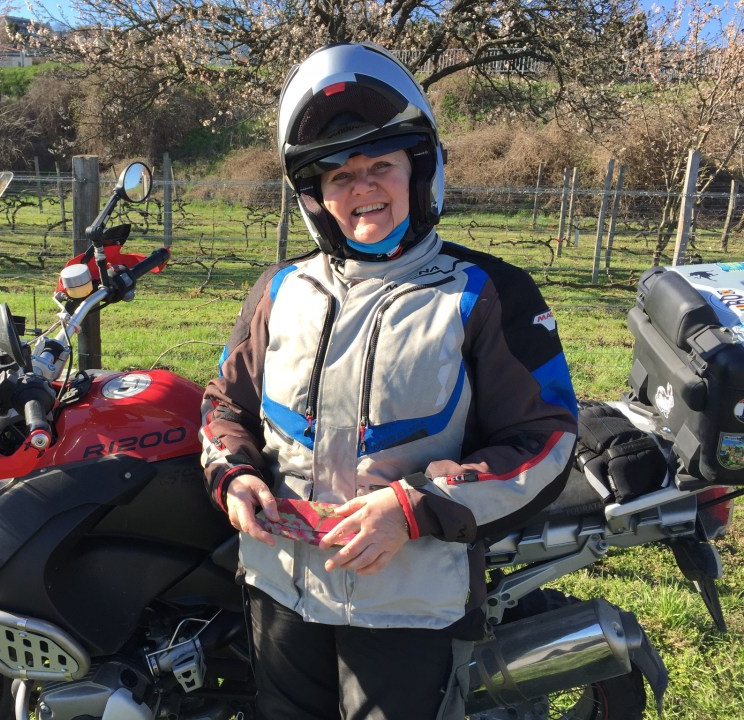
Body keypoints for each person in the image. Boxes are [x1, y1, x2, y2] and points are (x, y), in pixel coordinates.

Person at [200, 42, 578, 720]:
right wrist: (234, 475)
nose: (362, 187)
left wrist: (414, 508)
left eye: (381, 165)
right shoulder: (280, 289)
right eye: (339, 175)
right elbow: (226, 405)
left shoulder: (486, 293)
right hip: (280, 592)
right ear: (315, 197)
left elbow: (545, 442)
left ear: (420, 171)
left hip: (410, 608)